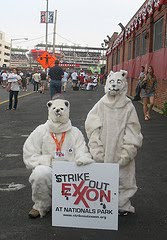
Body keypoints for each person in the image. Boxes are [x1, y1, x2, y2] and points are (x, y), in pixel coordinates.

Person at [23, 98, 94, 218]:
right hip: (50, 169)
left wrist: (82, 159)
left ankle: (72, 205)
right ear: (49, 109)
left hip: (71, 173)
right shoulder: (41, 131)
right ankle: (41, 206)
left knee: (85, 170)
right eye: (55, 108)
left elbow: (82, 150)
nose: (58, 111)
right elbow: (29, 153)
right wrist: (45, 160)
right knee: (40, 173)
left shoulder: (75, 132)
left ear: (67, 109)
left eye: (61, 108)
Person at [85, 70, 143, 216]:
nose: (115, 85)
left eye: (118, 82)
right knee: (101, 180)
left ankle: (122, 204)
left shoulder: (128, 106)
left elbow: (133, 130)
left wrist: (128, 151)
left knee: (124, 178)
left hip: (120, 149)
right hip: (103, 147)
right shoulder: (101, 104)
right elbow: (92, 125)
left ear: (124, 85)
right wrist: (95, 147)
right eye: (112, 82)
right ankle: (101, 204)